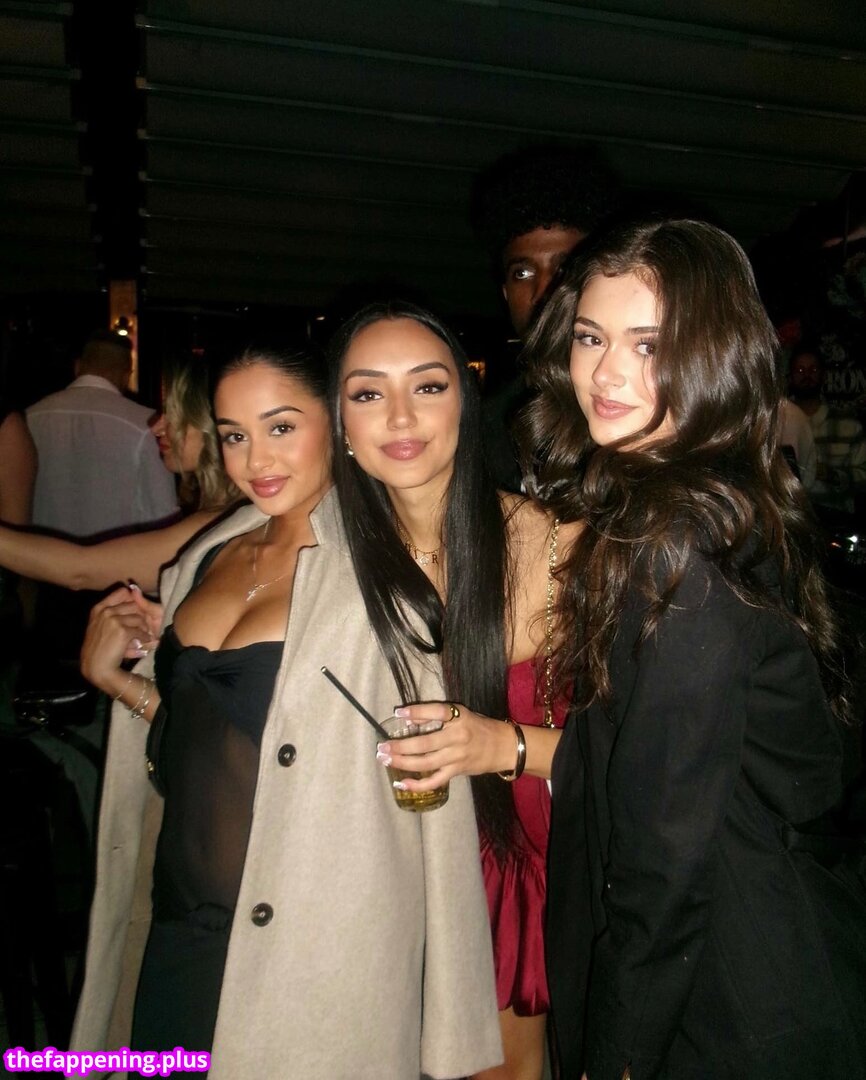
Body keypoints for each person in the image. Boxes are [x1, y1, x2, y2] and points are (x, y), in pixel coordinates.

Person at [72, 344, 501, 1079]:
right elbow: (205, 740)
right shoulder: (209, 554)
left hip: (312, 953)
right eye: (234, 435)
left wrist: (450, 1017)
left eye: (280, 427)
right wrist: (116, 681)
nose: (255, 460)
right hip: (182, 928)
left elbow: (434, 799)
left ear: (333, 422)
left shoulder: (386, 573)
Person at [519, 217, 866, 1078]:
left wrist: (616, 1058)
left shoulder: (678, 548)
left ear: (713, 356)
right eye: (592, 337)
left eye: (649, 345)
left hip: (731, 997)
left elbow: (662, 859)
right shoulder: (716, 500)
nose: (606, 372)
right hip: (757, 952)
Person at [328, 302, 575, 1080]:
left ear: (465, 406)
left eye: (428, 387)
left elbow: (641, 759)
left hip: (511, 868)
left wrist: (502, 744)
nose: (400, 416)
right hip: (376, 870)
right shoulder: (322, 557)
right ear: (339, 422)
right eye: (368, 393)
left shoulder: (558, 548)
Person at [0, 360, 238, 596]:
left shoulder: (219, 522)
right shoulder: (220, 512)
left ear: (208, 425)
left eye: (174, 416)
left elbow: (79, 571)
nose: (157, 427)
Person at [472, 144, 618, 490]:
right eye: (522, 273)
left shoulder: (638, 401)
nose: (543, 291)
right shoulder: (483, 428)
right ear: (505, 293)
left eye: (564, 268)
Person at [26, 329, 178, 538]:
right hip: (117, 555)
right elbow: (163, 512)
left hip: (37, 551)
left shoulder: (29, 417)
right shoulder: (147, 424)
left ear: (77, 367)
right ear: (127, 375)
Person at [788, 343, 866, 514]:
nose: (807, 375)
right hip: (790, 518)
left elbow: (863, 473)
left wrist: (833, 475)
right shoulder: (777, 422)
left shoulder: (848, 425)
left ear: (823, 375)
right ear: (791, 377)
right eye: (800, 370)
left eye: (813, 370)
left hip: (836, 518)